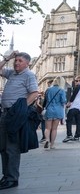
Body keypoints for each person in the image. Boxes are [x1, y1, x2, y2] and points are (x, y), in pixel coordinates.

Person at [0, 51, 39, 189]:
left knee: (12, 148)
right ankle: (6, 176)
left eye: (20, 61)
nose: (16, 63)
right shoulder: (12, 73)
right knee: (3, 147)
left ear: (27, 63)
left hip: (14, 114)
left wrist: (21, 109)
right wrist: (7, 58)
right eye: (16, 60)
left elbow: (35, 93)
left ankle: (12, 178)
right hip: (5, 114)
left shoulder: (28, 75)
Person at [43, 76, 67, 150]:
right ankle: (52, 144)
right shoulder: (61, 90)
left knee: (47, 128)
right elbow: (63, 101)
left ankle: (47, 139)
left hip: (49, 109)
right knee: (54, 129)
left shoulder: (48, 89)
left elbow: (46, 99)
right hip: (58, 110)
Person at [63, 75, 80, 142]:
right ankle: (77, 136)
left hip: (74, 107)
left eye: (77, 81)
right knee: (78, 122)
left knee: (69, 121)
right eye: (75, 81)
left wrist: (69, 103)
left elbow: (73, 95)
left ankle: (69, 135)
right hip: (79, 107)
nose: (75, 82)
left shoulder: (78, 87)